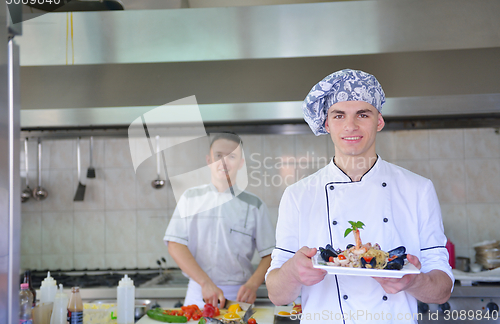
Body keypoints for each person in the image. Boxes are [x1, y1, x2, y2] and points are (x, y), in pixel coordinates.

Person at [265, 69, 454, 324]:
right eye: (339, 115)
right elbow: (277, 294)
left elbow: (442, 290)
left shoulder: (418, 189)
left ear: (378, 121)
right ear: (327, 124)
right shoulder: (298, 195)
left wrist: (415, 281)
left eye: (362, 114)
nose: (350, 126)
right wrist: (292, 273)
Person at [164, 132, 275, 308]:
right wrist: (205, 283)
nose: (224, 162)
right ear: (209, 160)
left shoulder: (255, 205)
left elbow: (270, 254)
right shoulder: (190, 198)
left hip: (239, 297)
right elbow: (175, 244)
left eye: (232, 156)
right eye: (218, 156)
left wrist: (253, 284)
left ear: (241, 163)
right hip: (199, 293)